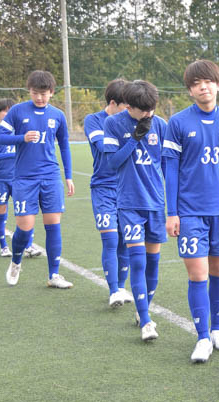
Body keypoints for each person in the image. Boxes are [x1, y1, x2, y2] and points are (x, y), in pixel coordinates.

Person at [163, 60, 219, 362]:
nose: (203, 87)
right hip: (190, 211)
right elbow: (171, 170)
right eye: (196, 83)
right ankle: (202, 337)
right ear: (190, 90)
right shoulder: (178, 123)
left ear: (218, 84)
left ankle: (218, 329)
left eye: (208, 81)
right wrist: (173, 212)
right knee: (198, 273)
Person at [0, 70, 75, 288]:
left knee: (53, 224)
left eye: (43, 93)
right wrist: (21, 138)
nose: (39, 97)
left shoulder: (58, 115)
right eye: (34, 93)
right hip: (24, 178)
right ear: (28, 91)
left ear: (51, 92)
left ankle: (54, 275)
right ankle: (16, 261)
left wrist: (68, 176)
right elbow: (0, 138)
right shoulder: (17, 111)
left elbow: (65, 146)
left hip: (50, 176)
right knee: (25, 226)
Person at [104, 80, 167, 341]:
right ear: (129, 106)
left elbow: (165, 165)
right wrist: (134, 140)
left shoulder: (161, 125)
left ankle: (143, 311)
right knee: (138, 262)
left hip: (155, 203)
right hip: (129, 203)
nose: (149, 114)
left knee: (153, 262)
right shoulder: (113, 124)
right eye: (144, 110)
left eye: (152, 108)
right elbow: (112, 163)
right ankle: (147, 322)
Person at [84, 78, 134, 308]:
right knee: (111, 238)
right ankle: (113, 290)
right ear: (113, 103)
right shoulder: (93, 121)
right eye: (126, 106)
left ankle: (121, 287)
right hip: (103, 187)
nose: (130, 111)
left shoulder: (131, 120)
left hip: (127, 188)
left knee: (125, 241)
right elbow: (105, 148)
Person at [0, 100, 43, 259]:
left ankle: (29, 246)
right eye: (5, 112)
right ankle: (3, 246)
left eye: (10, 112)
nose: (8, 115)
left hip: (20, 178)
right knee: (0, 212)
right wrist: (12, 155)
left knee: (25, 212)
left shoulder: (20, 130)